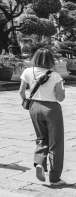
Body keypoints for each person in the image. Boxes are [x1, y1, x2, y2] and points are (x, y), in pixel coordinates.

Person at [19, 48, 66, 185]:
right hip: (51, 109)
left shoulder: (28, 72)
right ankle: (55, 177)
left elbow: (21, 91)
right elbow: (60, 98)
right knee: (56, 142)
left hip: (34, 107)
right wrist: (62, 89)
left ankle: (39, 162)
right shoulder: (55, 76)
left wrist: (24, 101)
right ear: (51, 60)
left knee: (41, 138)